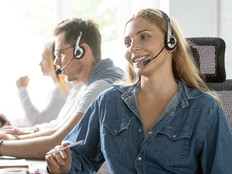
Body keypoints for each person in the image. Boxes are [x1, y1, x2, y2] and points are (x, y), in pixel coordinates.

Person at [45, 8, 232, 174]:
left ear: (171, 42)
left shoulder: (205, 109)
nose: (132, 48)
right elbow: (80, 159)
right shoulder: (109, 102)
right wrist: (65, 165)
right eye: (127, 42)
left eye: (144, 36)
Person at [0, 17, 123, 165]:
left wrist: (3, 146)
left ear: (81, 51)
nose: (57, 63)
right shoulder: (93, 84)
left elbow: (58, 142)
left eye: (60, 54)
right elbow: (59, 129)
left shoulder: (101, 87)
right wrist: (17, 138)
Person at [0, 41, 71, 130]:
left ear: (54, 60)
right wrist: (10, 122)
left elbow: (38, 121)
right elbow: (35, 121)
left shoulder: (61, 89)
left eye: (44, 58)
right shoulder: (57, 87)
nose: (40, 63)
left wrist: (22, 90)